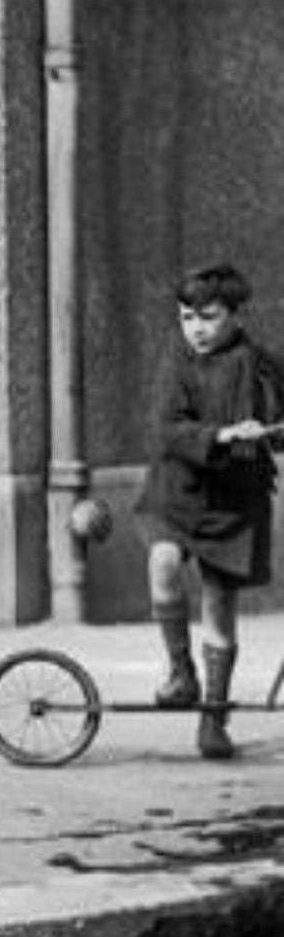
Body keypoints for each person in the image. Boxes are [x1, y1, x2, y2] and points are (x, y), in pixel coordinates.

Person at [134, 261, 284, 761]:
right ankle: (181, 672)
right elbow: (166, 429)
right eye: (186, 317)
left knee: (220, 606)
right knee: (163, 562)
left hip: (236, 500)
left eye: (208, 317)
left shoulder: (260, 364)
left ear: (237, 316)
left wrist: (270, 433)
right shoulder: (175, 360)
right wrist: (221, 435)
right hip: (177, 492)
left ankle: (214, 717)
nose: (195, 328)